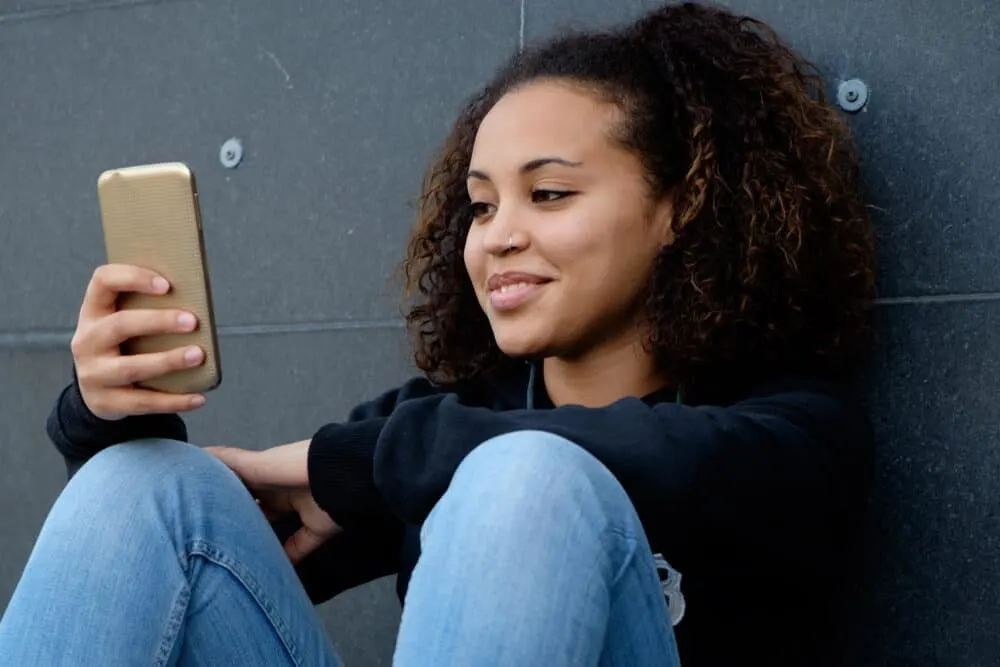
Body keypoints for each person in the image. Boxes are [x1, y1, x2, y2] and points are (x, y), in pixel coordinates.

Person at [0, 2, 877, 665]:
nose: (496, 234)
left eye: (550, 193)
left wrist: (350, 465)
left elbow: (647, 456)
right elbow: (197, 572)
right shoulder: (440, 421)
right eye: (483, 203)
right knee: (143, 489)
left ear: (679, 206)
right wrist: (112, 415)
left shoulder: (791, 431)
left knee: (522, 474)